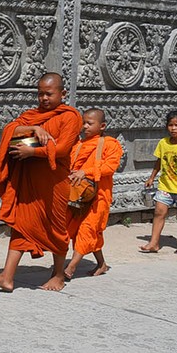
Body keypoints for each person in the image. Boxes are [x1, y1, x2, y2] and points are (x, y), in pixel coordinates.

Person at [0, 72, 81, 292]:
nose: (43, 98)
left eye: (49, 94)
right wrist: (34, 129)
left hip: (54, 183)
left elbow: (61, 150)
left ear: (63, 93)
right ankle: (8, 277)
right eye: (40, 94)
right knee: (21, 225)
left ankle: (58, 274)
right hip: (29, 181)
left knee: (57, 226)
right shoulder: (32, 115)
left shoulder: (71, 116)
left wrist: (32, 152)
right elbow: (10, 130)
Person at [64, 108, 122, 278]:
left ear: (102, 125)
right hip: (77, 194)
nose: (85, 127)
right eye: (84, 123)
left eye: (90, 123)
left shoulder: (110, 144)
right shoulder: (78, 145)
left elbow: (110, 166)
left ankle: (71, 267)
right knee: (83, 230)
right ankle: (102, 264)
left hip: (99, 195)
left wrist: (86, 171)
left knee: (88, 228)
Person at [139, 110, 177, 254]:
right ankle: (154, 243)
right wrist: (151, 177)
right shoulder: (163, 143)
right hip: (165, 186)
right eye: (170, 125)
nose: (173, 128)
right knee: (159, 212)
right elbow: (159, 162)